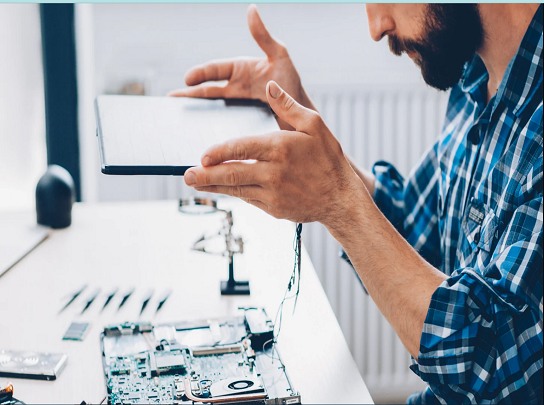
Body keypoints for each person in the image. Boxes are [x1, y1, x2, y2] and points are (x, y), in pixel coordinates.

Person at [169, 4, 543, 404]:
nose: (376, 27)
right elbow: (418, 230)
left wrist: (338, 201)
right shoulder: (476, 78)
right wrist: (305, 130)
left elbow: (493, 366)